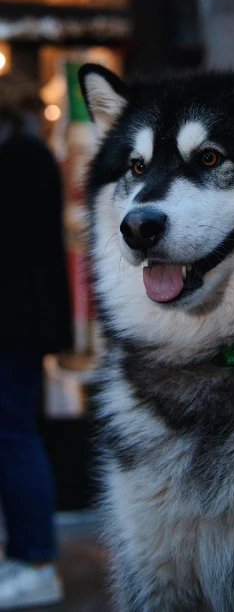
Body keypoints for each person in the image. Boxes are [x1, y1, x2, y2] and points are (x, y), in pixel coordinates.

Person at [0, 106, 72, 609]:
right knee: (13, 434)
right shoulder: (26, 154)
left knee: (14, 434)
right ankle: (26, 554)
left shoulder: (23, 157)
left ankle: (37, 561)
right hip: (18, 322)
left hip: (13, 325)